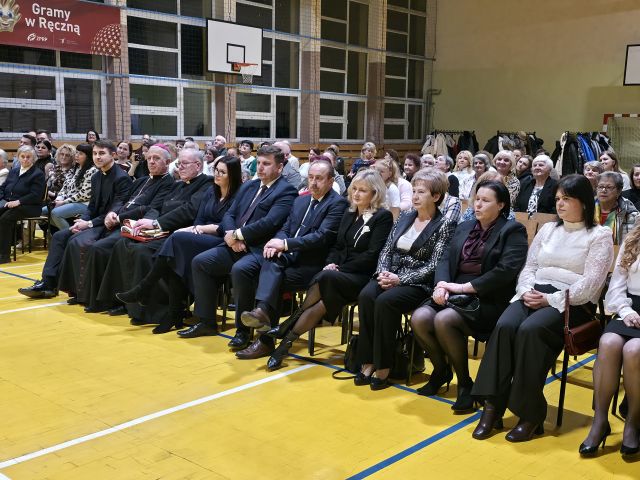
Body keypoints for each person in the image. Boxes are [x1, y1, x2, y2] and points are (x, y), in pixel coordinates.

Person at [471, 174, 613, 443]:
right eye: (558, 198)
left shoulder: (599, 235)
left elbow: (591, 285)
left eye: (566, 199)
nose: (559, 204)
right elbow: (530, 266)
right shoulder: (548, 229)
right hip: (534, 291)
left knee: (531, 330)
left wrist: (550, 300)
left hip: (572, 302)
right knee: (504, 326)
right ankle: (492, 406)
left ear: (583, 202)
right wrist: (525, 290)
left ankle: (530, 414)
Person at [411, 180, 527, 409]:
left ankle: (465, 383)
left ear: (501, 205)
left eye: (486, 201)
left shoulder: (512, 230)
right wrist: (441, 285)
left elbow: (505, 272)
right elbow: (445, 259)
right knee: (420, 318)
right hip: (453, 291)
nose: (478, 205)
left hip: (487, 297)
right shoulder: (465, 226)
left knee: (444, 319)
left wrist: (463, 288)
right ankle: (441, 370)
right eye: (477, 199)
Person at [264, 169, 393, 369]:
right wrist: (331, 263)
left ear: (375, 194)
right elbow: (337, 246)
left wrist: (340, 268)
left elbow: (372, 255)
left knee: (324, 278)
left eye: (363, 190)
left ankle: (286, 325)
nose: (356, 194)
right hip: (338, 276)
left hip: (362, 276)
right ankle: (283, 346)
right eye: (354, 189)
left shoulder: (382, 217)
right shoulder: (349, 212)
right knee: (322, 301)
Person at [183, 145, 298, 345]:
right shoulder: (250, 186)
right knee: (201, 262)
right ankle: (206, 321)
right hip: (234, 244)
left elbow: (270, 223)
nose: (260, 167)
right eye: (259, 163)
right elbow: (230, 214)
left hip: (259, 249)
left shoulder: (286, 191)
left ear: (280, 167)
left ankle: (243, 331)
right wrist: (231, 235)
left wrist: (238, 235)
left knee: (240, 270)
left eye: (266, 164)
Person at [234, 160, 349, 359]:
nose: (313, 183)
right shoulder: (300, 200)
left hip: (312, 264)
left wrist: (285, 245)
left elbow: (321, 237)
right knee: (267, 264)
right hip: (287, 258)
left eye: (319, 178)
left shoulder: (337, 204)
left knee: (273, 280)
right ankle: (261, 319)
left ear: (331, 181)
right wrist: (275, 242)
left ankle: (264, 338)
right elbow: (286, 228)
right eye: (310, 177)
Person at [115, 155, 242, 333]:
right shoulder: (211, 191)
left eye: (222, 172)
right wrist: (193, 228)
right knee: (175, 254)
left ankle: (145, 289)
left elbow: (228, 225)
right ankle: (173, 313)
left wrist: (198, 229)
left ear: (232, 175)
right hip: (200, 235)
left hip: (222, 239)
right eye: (216, 170)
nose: (217, 175)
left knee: (176, 240)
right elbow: (199, 217)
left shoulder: (239, 195)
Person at [354, 170, 456, 389]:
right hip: (390, 275)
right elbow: (386, 250)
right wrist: (383, 273)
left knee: (385, 301)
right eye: (414, 191)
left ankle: (384, 365)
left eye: (421, 192)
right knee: (366, 295)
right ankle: (368, 360)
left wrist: (399, 279)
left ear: (436, 196)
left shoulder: (444, 224)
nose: (415, 196)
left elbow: (434, 265)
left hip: (417, 283)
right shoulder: (404, 216)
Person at [92, 148, 211, 323]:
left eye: (184, 164)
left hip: (181, 234)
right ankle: (123, 303)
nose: (179, 167)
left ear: (198, 165)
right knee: (122, 244)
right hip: (162, 230)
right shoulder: (178, 184)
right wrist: (145, 222)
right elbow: (158, 208)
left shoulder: (206, 184)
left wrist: (155, 223)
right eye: (179, 164)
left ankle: (151, 310)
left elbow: (188, 211)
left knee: (141, 251)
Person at [64, 144, 176, 311]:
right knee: (78, 240)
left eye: (156, 158)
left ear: (167, 162)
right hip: (118, 221)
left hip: (134, 225)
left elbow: (149, 209)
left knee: (99, 248)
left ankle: (107, 300)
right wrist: (113, 213)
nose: (151, 162)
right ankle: (84, 294)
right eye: (149, 158)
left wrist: (118, 217)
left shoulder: (168, 183)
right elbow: (123, 201)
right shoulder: (142, 180)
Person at [18, 141, 132, 297]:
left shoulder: (122, 178)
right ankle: (48, 284)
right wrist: (81, 221)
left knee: (74, 240)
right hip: (93, 222)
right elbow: (92, 206)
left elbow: (116, 209)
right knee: (59, 236)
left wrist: (89, 223)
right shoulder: (96, 176)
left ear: (113, 155)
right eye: (95, 153)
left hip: (109, 225)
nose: (97, 157)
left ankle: (76, 289)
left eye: (101, 153)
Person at [579, 225, 640, 457]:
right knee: (608, 343)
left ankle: (633, 422)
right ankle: (600, 421)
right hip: (630, 308)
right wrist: (625, 310)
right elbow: (616, 286)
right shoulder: (634, 237)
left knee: (634, 350)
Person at [0, 146, 46, 264]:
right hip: (10, 203)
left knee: (5, 219)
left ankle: (4, 255)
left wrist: (18, 202)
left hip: (30, 206)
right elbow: (3, 187)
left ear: (33, 158)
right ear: (18, 157)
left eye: (28, 157)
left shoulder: (38, 174)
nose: (25, 159)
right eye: (23, 156)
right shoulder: (14, 171)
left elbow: (35, 195)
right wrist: (2, 199)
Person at [49, 144, 97, 231]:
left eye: (80, 153)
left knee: (55, 213)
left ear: (88, 156)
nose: (77, 155)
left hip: (84, 203)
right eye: (76, 153)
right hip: (69, 201)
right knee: (43, 212)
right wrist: (59, 199)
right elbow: (65, 188)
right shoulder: (75, 168)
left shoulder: (92, 170)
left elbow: (84, 195)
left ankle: (70, 235)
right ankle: (70, 230)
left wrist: (64, 202)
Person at [594, 171, 639, 245]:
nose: (603, 190)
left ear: (619, 191)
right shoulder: (587, 210)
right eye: (600, 187)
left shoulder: (632, 215)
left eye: (609, 187)